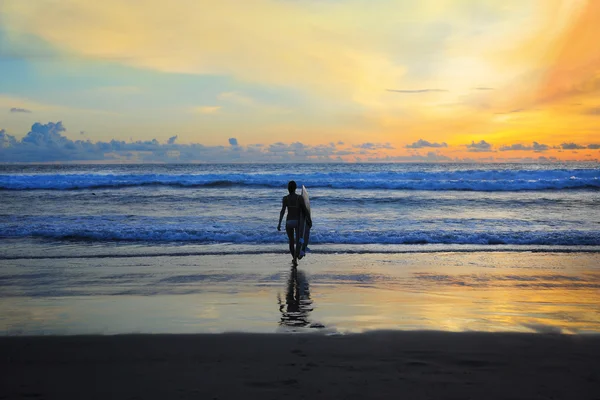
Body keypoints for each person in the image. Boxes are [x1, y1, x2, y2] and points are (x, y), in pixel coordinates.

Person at [277, 180, 311, 265]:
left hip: (289, 222)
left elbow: (282, 211)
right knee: (298, 241)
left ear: (288, 188)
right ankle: (296, 257)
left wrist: (279, 223)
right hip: (297, 221)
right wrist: (309, 220)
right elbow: (305, 210)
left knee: (291, 241)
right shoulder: (299, 198)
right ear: (295, 188)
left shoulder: (285, 198)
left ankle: (294, 259)